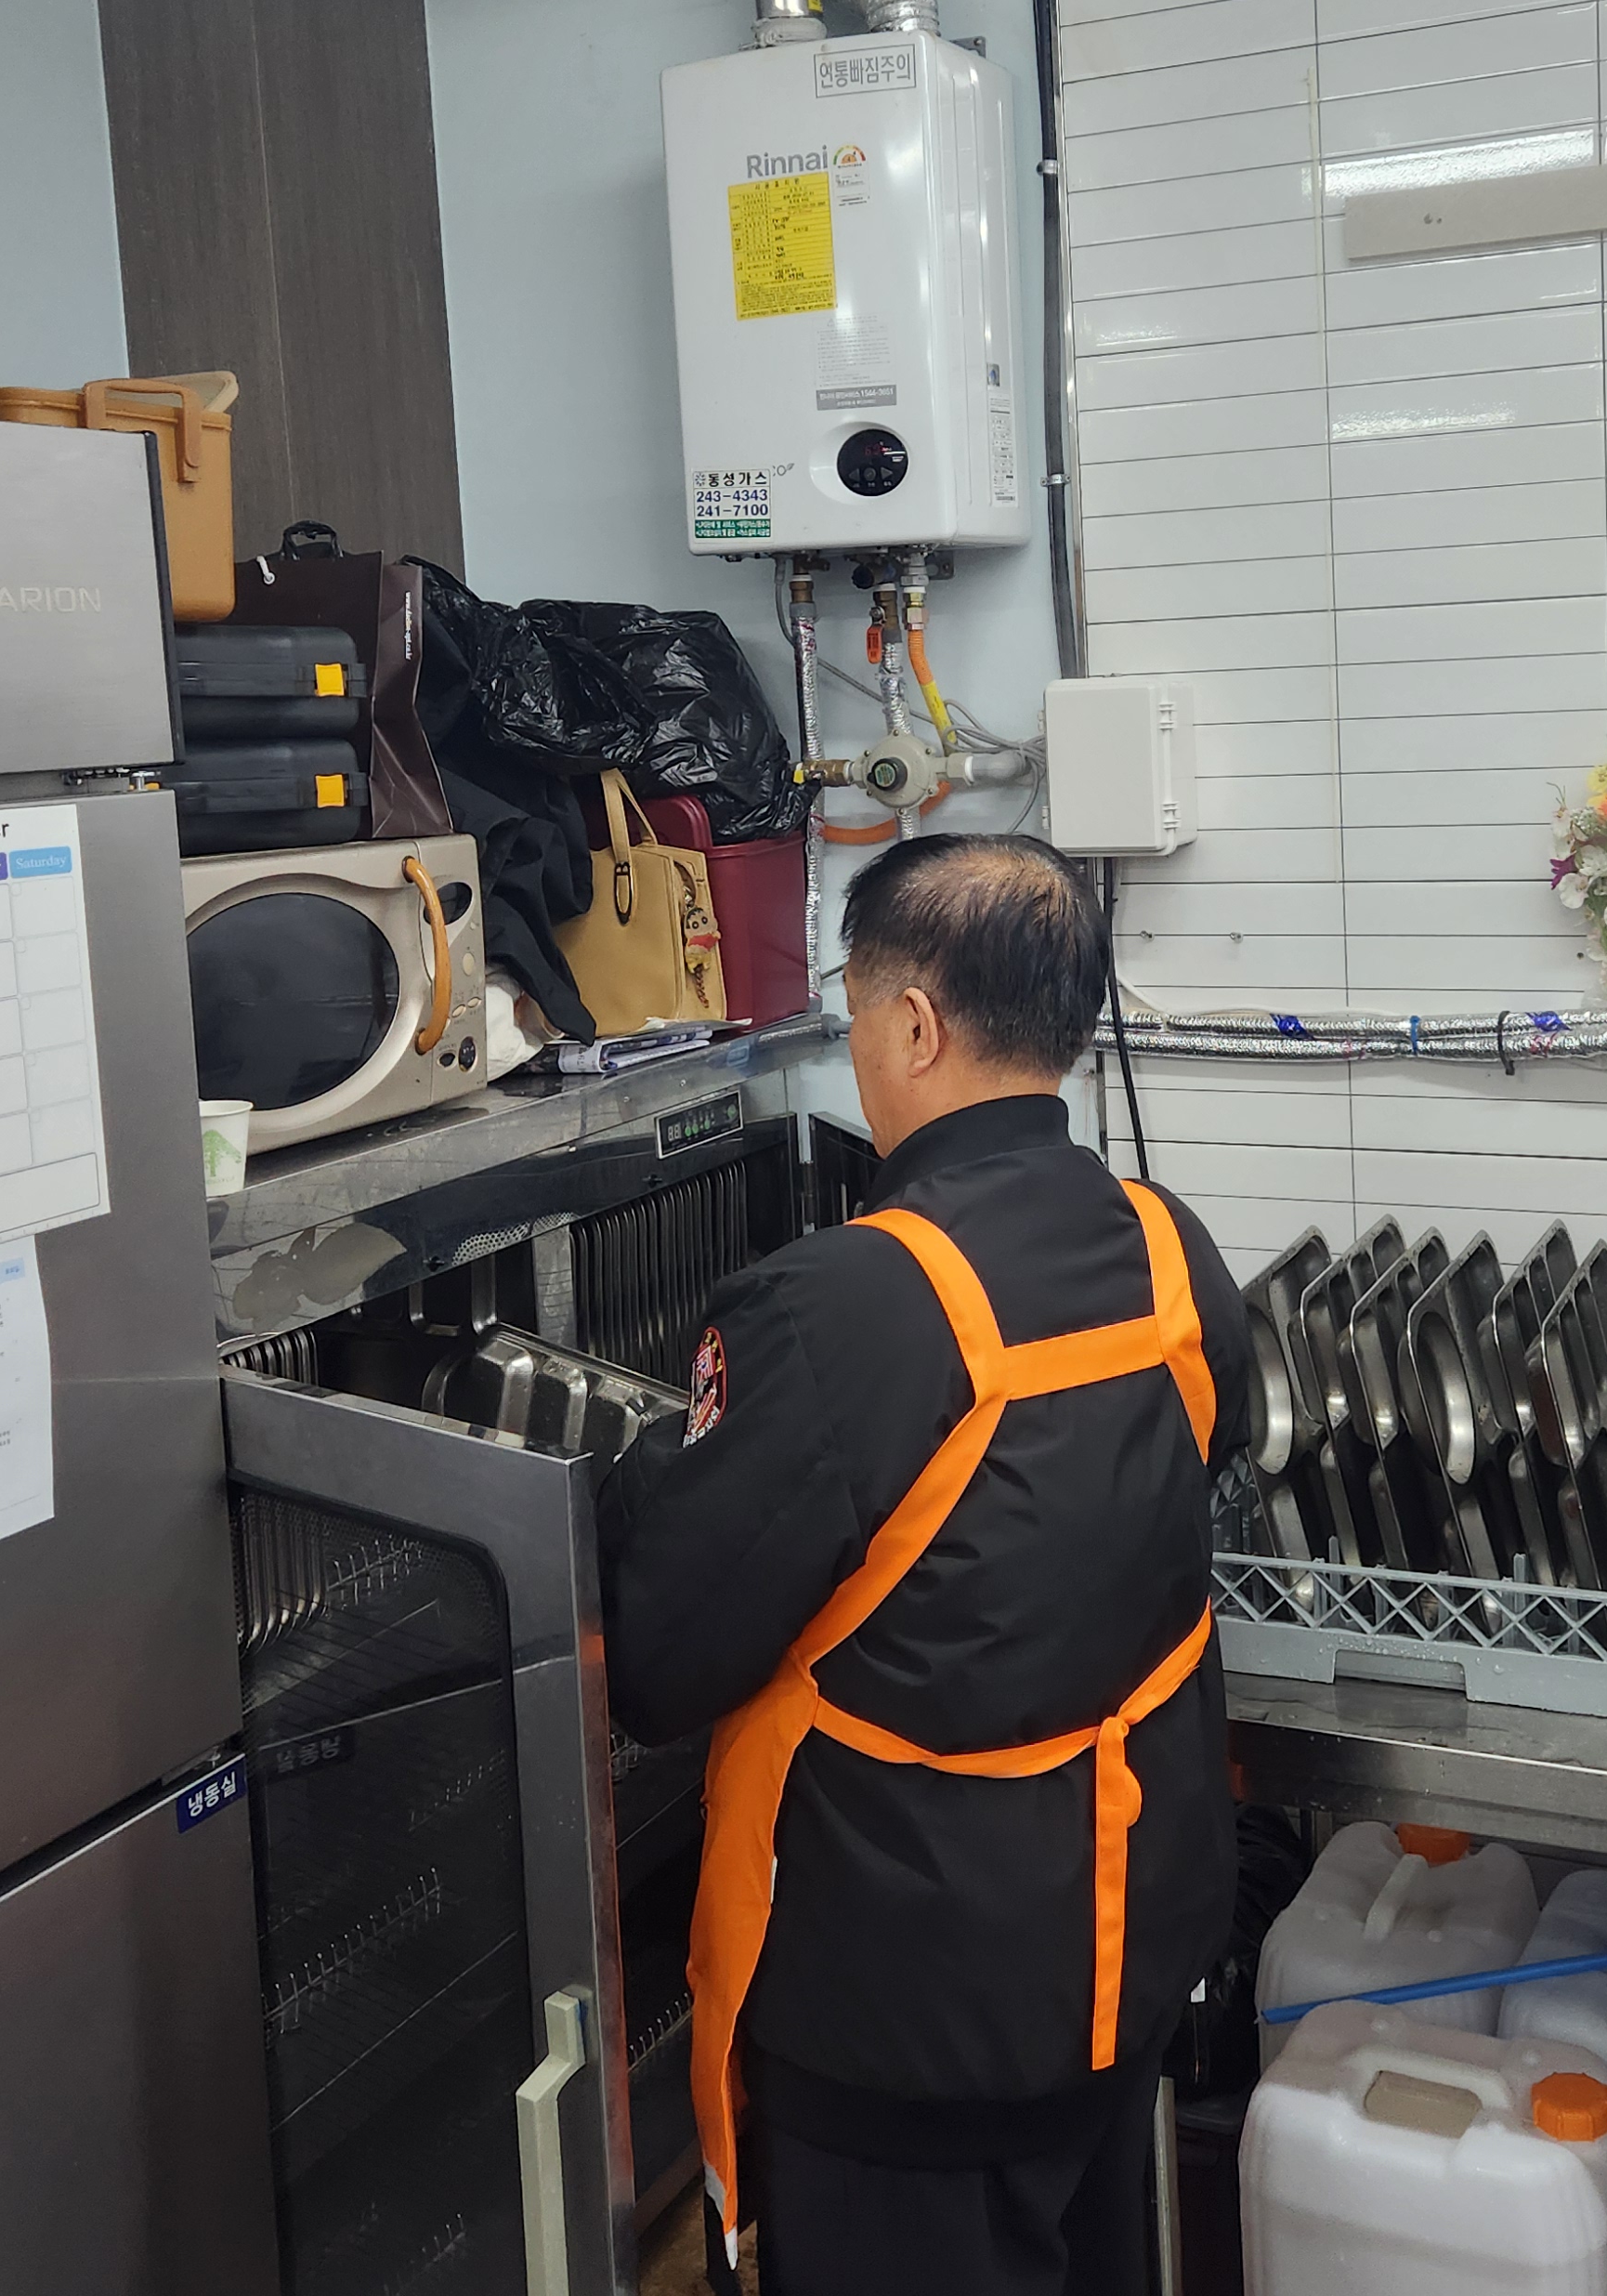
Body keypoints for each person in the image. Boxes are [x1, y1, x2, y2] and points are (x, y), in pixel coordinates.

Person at [599, 833, 1251, 2296]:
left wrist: (645, 1478)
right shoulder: (1168, 1247)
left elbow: (663, 1660)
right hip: (1120, 1964)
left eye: (853, 1010)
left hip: (906, 2032)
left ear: (911, 1024)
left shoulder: (839, 1305)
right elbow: (1181, 1473)